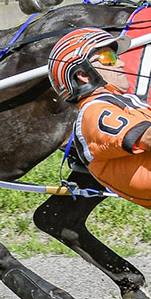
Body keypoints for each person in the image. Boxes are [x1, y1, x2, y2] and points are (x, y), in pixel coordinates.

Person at [48, 26, 151, 206]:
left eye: (116, 57)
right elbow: (148, 137)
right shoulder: (93, 111)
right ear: (83, 75)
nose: (121, 63)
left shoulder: (123, 102)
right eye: (108, 58)